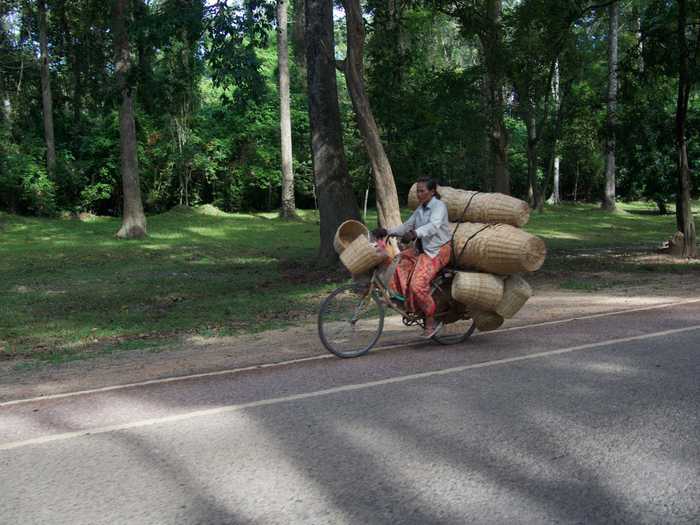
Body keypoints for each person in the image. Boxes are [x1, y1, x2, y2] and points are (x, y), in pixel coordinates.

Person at [373, 177, 452, 338]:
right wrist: (387, 231)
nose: (419, 194)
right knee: (396, 261)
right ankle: (407, 303)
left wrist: (416, 233)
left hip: (437, 251)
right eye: (417, 191)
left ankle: (431, 322)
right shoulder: (420, 209)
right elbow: (406, 225)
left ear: (432, 191)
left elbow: (433, 226)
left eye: (422, 191)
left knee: (418, 285)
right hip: (421, 249)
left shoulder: (439, 207)